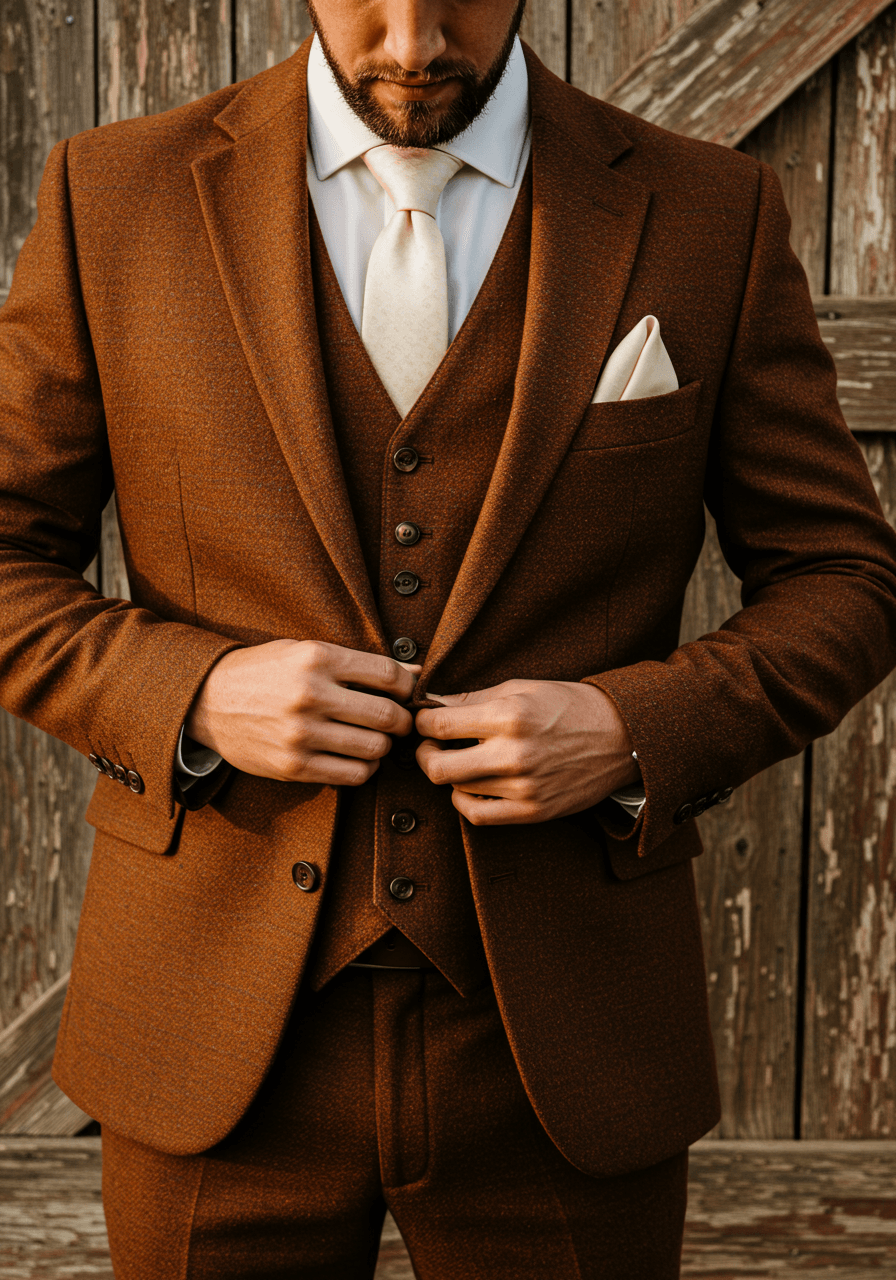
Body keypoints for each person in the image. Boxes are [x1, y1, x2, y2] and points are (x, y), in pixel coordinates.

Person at [1, 0, 894, 1275]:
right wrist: (193, 692)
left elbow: (844, 575)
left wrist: (632, 728)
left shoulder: (708, 211)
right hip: (206, 1030)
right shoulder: (118, 194)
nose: (413, 40)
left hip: (567, 1044)